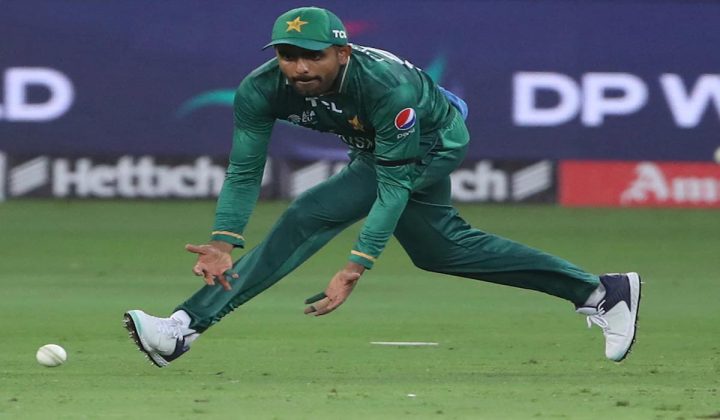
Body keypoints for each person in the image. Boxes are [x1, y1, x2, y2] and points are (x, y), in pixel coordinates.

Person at [123, 6, 641, 367]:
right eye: (287, 54)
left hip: (433, 141)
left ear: (342, 52)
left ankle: (183, 327)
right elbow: (243, 169)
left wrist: (357, 264)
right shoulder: (261, 89)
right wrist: (223, 240)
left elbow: (392, 186)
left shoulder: (384, 88)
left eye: (313, 55)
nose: (299, 68)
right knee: (440, 250)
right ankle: (601, 292)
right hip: (375, 145)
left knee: (308, 215)